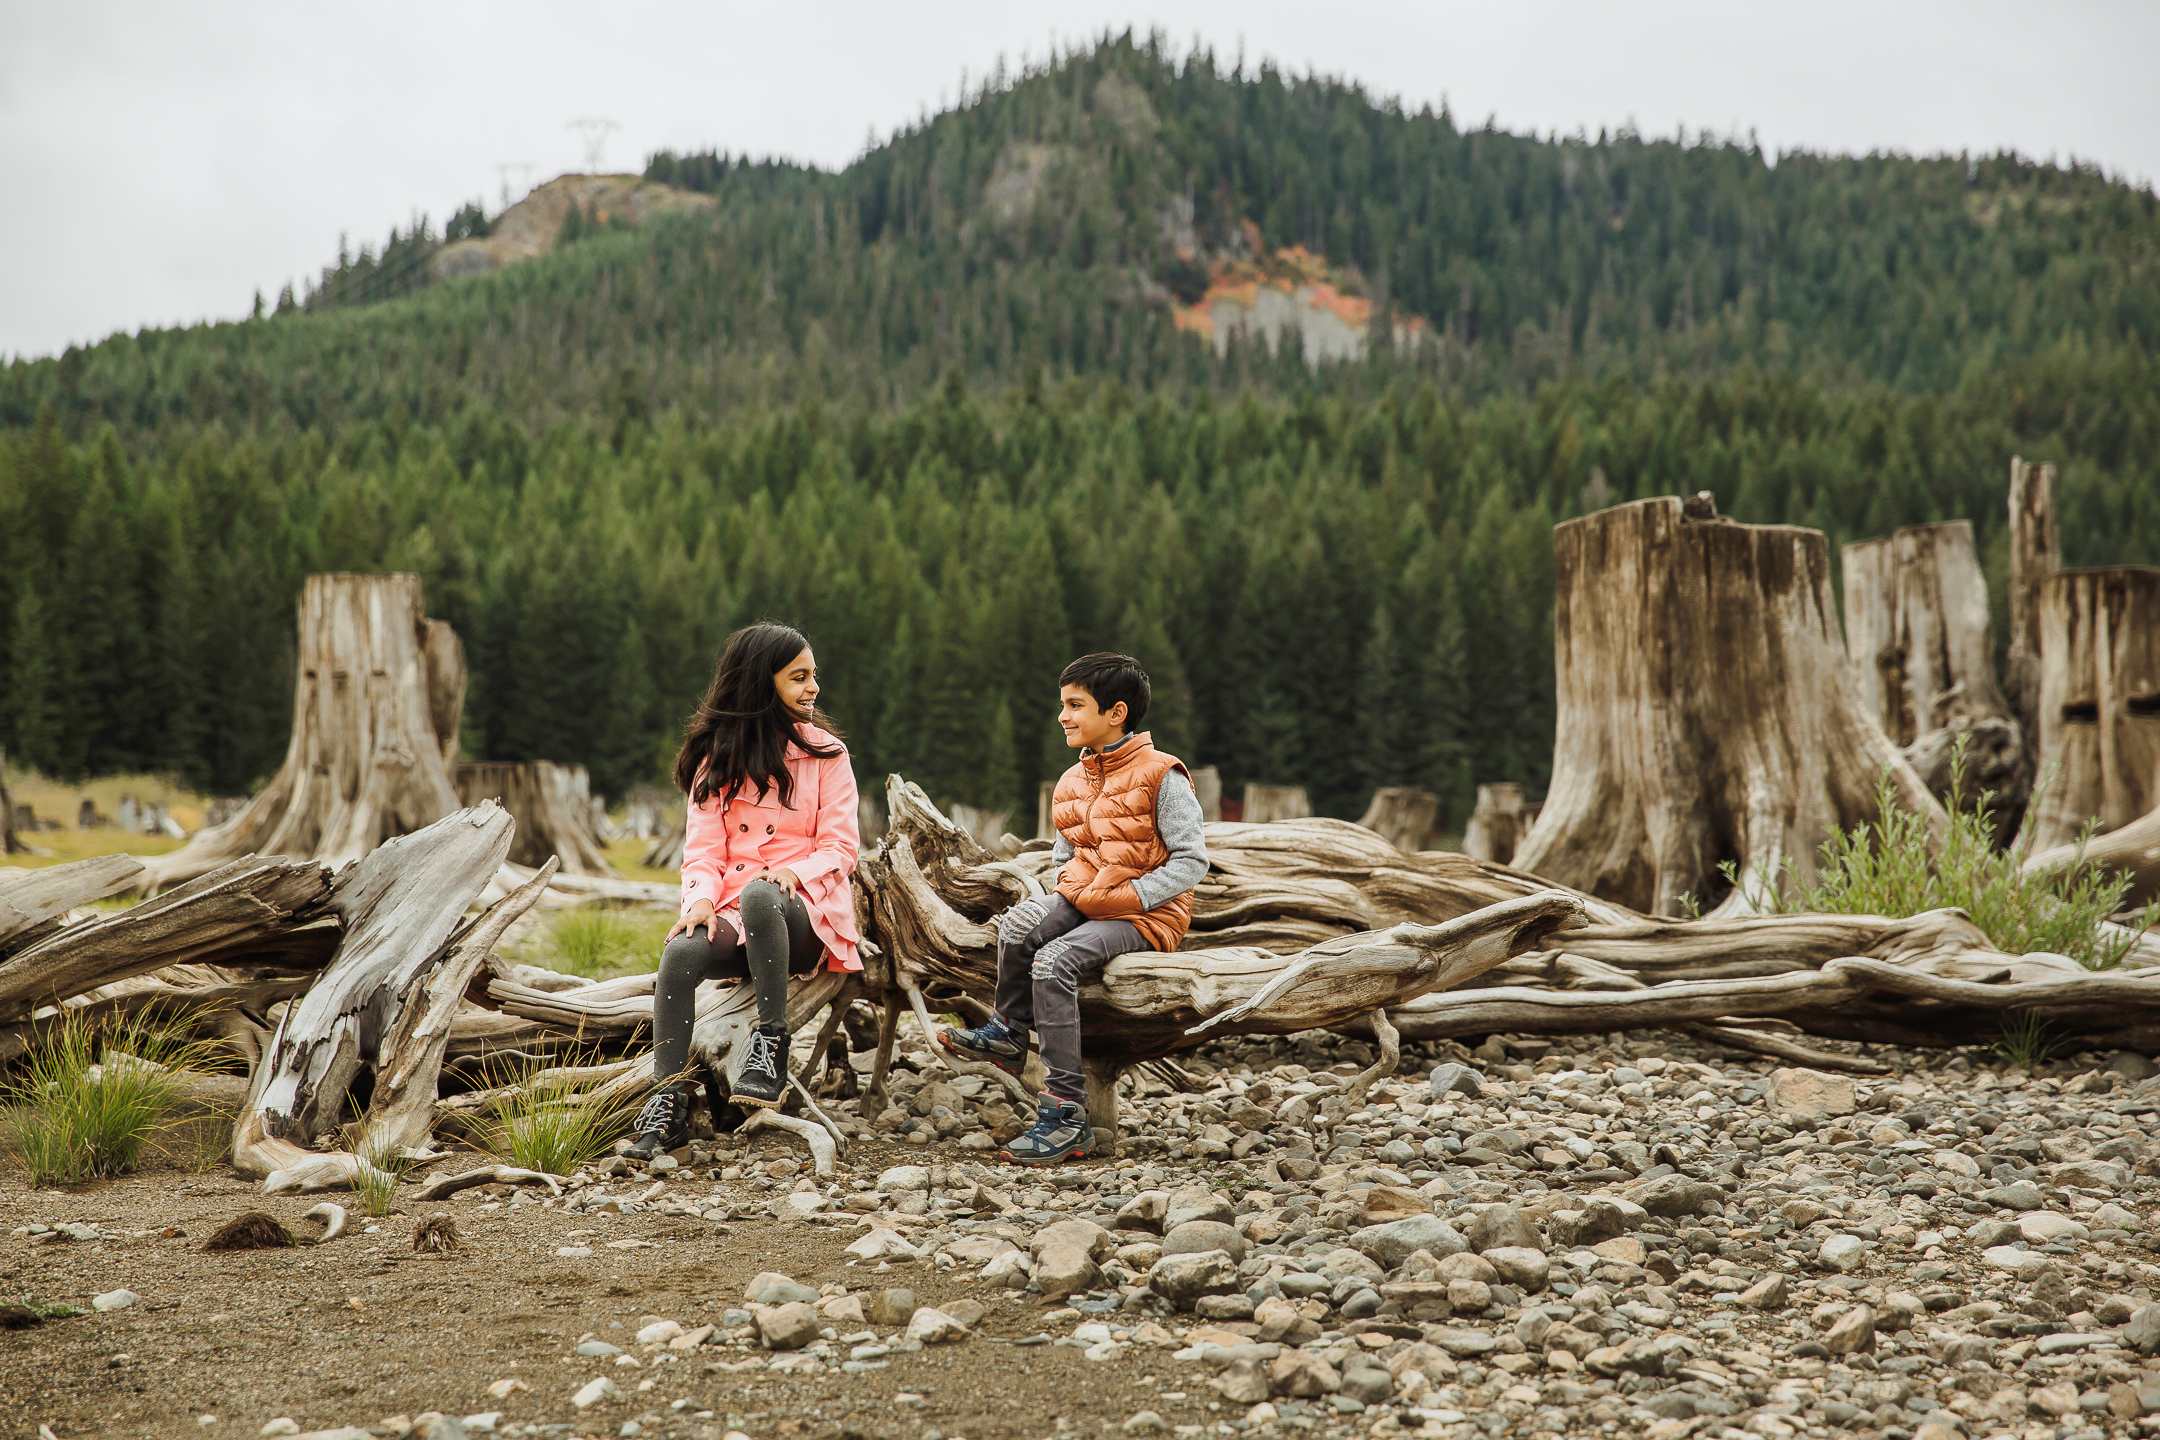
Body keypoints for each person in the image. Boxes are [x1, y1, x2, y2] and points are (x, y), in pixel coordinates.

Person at [941, 653, 1207, 1165]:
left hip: (1146, 915)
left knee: (1053, 960)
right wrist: (1066, 893)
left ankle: (1066, 1115)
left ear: (1117, 713)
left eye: (1074, 704)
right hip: (1088, 898)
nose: (1062, 715)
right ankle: (1007, 1034)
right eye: (1061, 704)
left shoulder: (1162, 776)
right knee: (1018, 923)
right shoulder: (1071, 780)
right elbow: (1068, 858)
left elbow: (1193, 861)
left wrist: (1134, 897)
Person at [625, 622, 862, 1161]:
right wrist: (700, 902)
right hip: (736, 909)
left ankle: (771, 1042)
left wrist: (793, 874)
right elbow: (703, 853)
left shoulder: (827, 754)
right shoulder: (717, 759)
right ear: (762, 682)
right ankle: (669, 1102)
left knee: (761, 894)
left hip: (807, 912)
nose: (813, 688)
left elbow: (841, 847)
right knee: (682, 951)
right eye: (799, 677)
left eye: (814, 676)